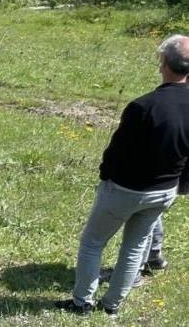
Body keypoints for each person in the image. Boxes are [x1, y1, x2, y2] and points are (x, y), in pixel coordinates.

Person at [57, 34, 189, 318]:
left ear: (163, 63)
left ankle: (82, 303)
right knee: (135, 247)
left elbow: (116, 152)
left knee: (93, 243)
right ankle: (111, 306)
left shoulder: (143, 106)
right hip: (164, 191)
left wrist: (106, 178)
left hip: (125, 190)